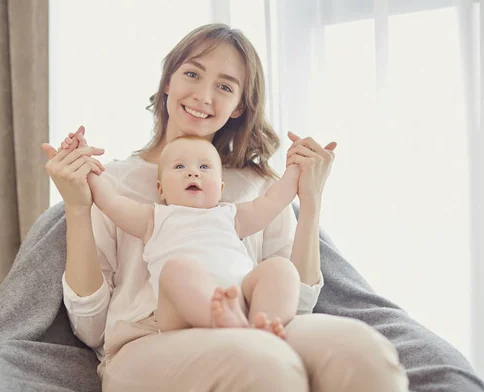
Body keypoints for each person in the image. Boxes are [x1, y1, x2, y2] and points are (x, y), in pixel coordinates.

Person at [41, 24, 409, 392]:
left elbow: (297, 305)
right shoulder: (115, 182)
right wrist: (77, 208)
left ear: (239, 107)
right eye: (192, 74)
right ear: (167, 81)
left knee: (361, 352)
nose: (204, 96)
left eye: (225, 86)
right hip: (148, 338)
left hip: (258, 320)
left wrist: (310, 202)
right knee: (262, 365)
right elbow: (90, 329)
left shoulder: (258, 186)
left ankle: (253, 335)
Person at [65, 133, 301, 335]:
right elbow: (111, 202)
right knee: (177, 270)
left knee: (281, 268)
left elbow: (274, 200)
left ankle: (266, 326)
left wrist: (295, 168)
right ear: (161, 189)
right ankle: (226, 325)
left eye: (204, 167)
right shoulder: (153, 218)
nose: (193, 173)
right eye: (179, 167)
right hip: (180, 313)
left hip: (239, 301)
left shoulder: (233, 216)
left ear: (220, 188)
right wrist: (85, 166)